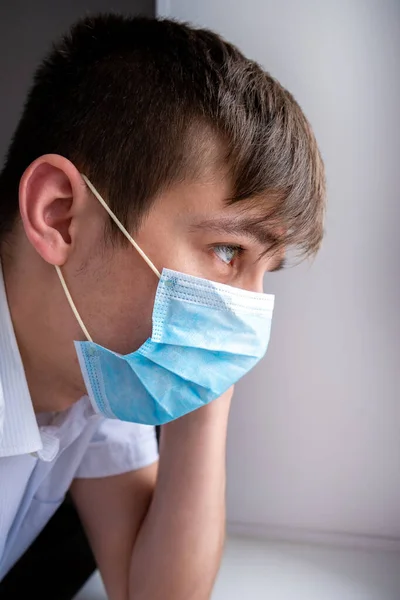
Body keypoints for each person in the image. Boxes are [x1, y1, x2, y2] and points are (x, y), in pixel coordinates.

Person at [0, 13, 325, 600]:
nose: (246, 309)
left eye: (264, 273)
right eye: (228, 250)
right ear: (59, 215)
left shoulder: (95, 371)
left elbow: (157, 594)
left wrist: (208, 371)